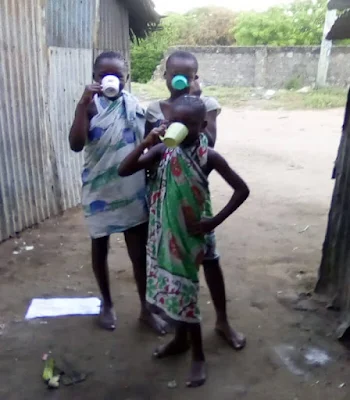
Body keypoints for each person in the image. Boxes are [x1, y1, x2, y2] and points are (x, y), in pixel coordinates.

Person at [119, 95, 249, 387]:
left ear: (203, 125)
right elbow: (124, 170)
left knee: (190, 290)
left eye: (190, 124)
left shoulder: (208, 157)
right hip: (168, 232)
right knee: (178, 292)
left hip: (197, 233)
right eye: (176, 122)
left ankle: (200, 354)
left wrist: (213, 222)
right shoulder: (163, 151)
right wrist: (146, 142)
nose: (182, 128)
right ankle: (180, 340)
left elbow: (242, 190)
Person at [145, 50, 246, 349]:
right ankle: (181, 336)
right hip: (165, 197)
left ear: (195, 77)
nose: (180, 80)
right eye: (175, 74)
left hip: (196, 199)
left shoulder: (206, 106)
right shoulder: (154, 108)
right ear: (165, 76)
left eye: (187, 75)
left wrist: (195, 98)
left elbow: (208, 143)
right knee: (175, 266)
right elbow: (150, 156)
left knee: (210, 259)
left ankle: (223, 321)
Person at [68, 51, 166, 334]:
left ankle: (146, 309)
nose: (112, 80)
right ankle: (107, 303)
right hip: (99, 190)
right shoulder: (89, 106)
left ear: (126, 79)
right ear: (95, 78)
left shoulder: (135, 105)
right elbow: (76, 144)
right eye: (103, 75)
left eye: (118, 76)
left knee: (139, 254)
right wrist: (82, 104)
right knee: (100, 248)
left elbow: (148, 143)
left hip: (132, 189)